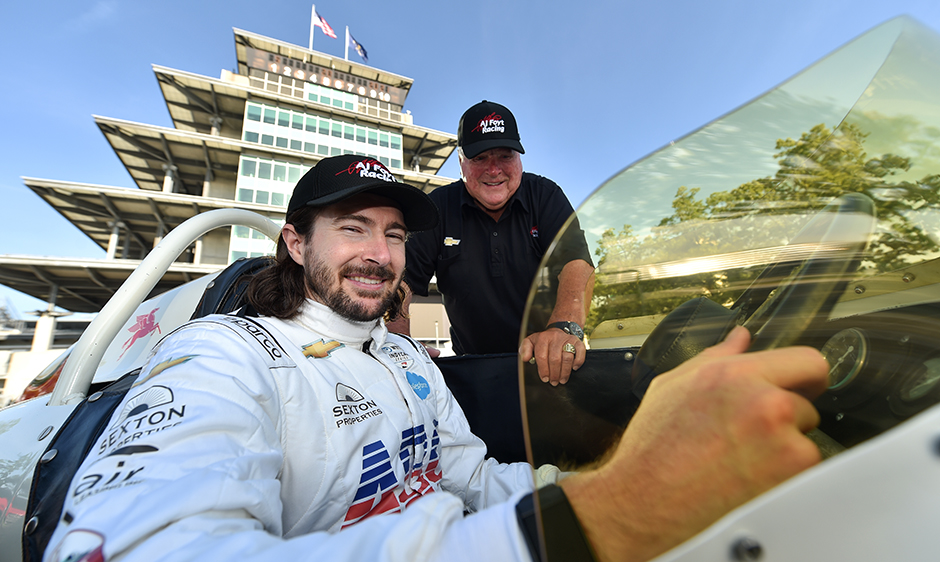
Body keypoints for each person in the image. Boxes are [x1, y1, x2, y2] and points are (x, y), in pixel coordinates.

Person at [45, 155, 830, 562]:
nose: (378, 254)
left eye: (392, 234)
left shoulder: (407, 360)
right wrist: (600, 518)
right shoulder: (219, 356)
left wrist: (606, 478)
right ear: (294, 242)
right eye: (353, 228)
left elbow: (473, 477)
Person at [393, 100, 595, 386]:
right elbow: (401, 281)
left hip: (548, 363)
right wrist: (400, 344)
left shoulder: (546, 196)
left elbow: (577, 264)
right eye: (480, 158)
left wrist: (565, 328)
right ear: (461, 161)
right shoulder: (437, 208)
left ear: (519, 157)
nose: (494, 169)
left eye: (505, 155)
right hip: (472, 370)